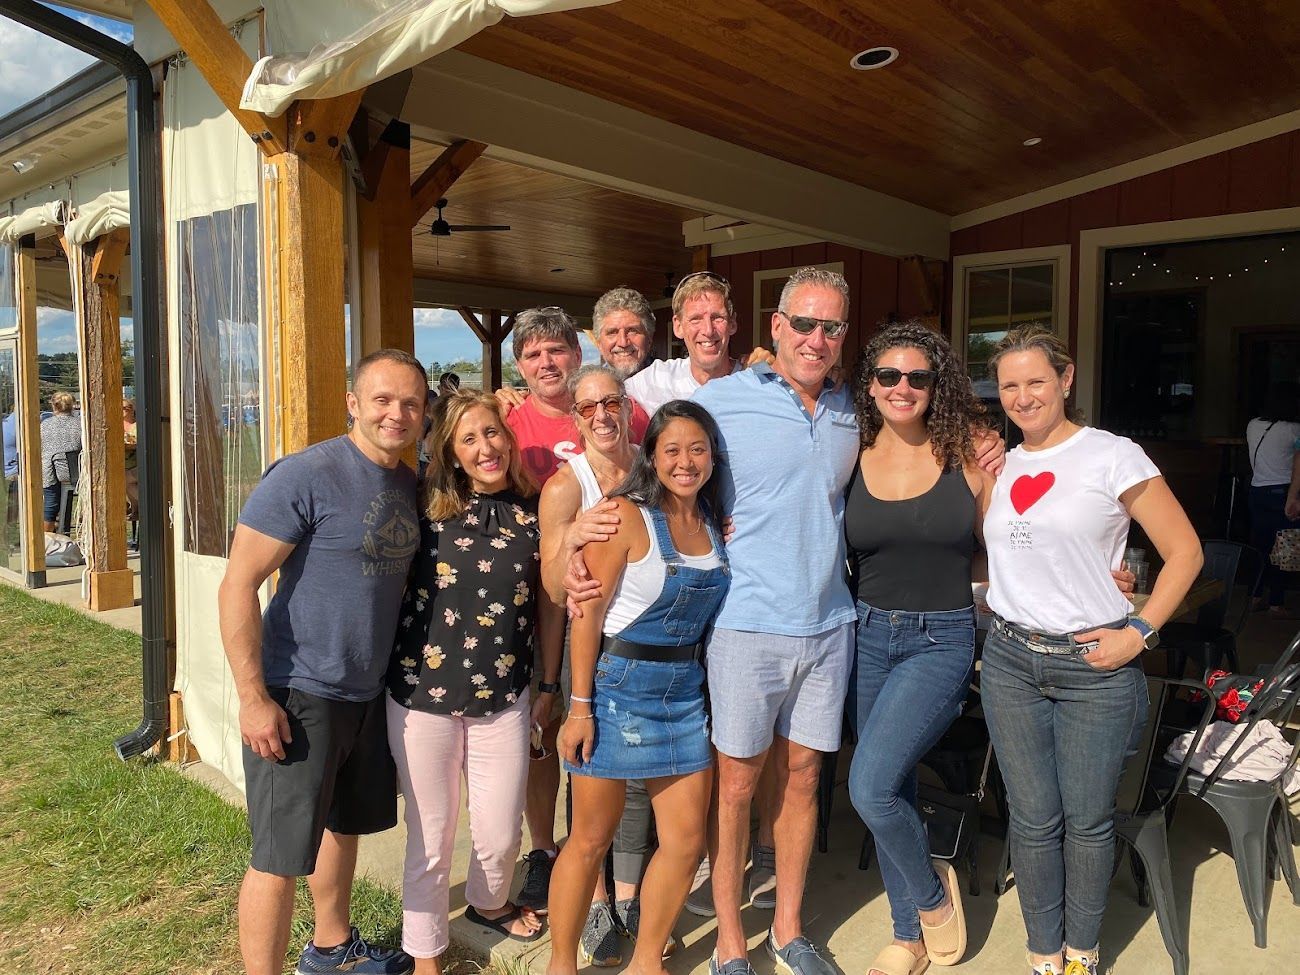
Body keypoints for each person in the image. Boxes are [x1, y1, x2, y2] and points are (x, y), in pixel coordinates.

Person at [688, 268, 1005, 975]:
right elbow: (665, 478)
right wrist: (596, 534)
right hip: (747, 623)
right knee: (736, 788)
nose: (816, 338)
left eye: (831, 327)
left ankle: (789, 931)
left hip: (835, 627)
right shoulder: (721, 399)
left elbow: (991, 518)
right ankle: (731, 943)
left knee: (809, 781)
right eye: (803, 323)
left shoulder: (849, 414)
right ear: (776, 326)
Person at [979, 324, 1202, 975]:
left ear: (1066, 378)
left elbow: (1185, 551)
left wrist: (1140, 629)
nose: (1023, 397)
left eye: (1036, 381)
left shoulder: (1112, 455)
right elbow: (1013, 552)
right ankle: (1043, 953)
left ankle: (1081, 952)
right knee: (1031, 819)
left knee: (1086, 821)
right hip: (1011, 660)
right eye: (1010, 385)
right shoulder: (1002, 464)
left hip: (1093, 668)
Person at [217, 349, 428, 975]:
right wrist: (253, 698)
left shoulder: (410, 483)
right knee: (279, 855)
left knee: (342, 826)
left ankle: (331, 947)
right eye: (382, 400)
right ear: (352, 403)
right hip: (299, 690)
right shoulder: (306, 474)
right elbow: (237, 584)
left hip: (367, 691)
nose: (396, 414)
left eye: (411, 403)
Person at [547, 399, 729, 975]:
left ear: (713, 457)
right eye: (672, 449)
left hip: (684, 694)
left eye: (698, 449)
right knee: (589, 840)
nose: (685, 462)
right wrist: (579, 709)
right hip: (616, 690)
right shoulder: (624, 516)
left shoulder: (714, 521)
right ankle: (560, 964)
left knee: (685, 841)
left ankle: (646, 961)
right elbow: (586, 614)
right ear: (651, 456)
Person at [387, 390, 562, 972]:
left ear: (509, 439)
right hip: (422, 695)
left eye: (492, 432)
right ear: (451, 453)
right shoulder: (423, 506)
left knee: (501, 830)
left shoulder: (536, 508)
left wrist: (549, 685)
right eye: (469, 439)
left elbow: (551, 602)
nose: (485, 447)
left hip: (504, 694)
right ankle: (425, 954)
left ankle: (488, 903)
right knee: (432, 835)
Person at [845, 322, 994, 975]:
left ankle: (932, 897)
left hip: (942, 637)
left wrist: (1100, 573)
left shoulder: (972, 455)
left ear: (938, 385)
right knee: (893, 785)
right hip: (866, 634)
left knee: (870, 785)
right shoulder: (850, 452)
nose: (901, 387)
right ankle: (906, 936)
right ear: (870, 384)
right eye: (888, 375)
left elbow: (1013, 543)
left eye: (917, 376)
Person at [539, 365, 658, 966]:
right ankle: (595, 901)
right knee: (588, 774)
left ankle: (629, 894)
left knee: (636, 781)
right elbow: (551, 589)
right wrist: (570, 541)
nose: (602, 416)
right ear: (576, 418)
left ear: (628, 406)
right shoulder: (567, 486)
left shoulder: (652, 467)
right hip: (594, 649)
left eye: (611, 402)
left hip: (652, 645)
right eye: (588, 408)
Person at [625, 272, 746, 415]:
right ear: (678, 326)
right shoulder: (658, 378)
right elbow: (608, 395)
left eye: (717, 317)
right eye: (696, 319)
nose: (708, 330)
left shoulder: (753, 381)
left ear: (732, 323)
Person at [1245, 381, 1300, 617]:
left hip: (1257, 491)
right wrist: (1294, 498)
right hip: (1283, 493)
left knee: (1261, 547)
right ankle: (1276, 603)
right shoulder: (1293, 430)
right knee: (1284, 548)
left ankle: (1255, 597)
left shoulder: (1253, 425)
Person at [39, 391, 81, 533]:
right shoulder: (79, 424)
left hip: (49, 472)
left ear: (54, 406)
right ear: (72, 406)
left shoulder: (45, 425)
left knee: (50, 505)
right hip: (75, 474)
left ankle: (47, 539)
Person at [593, 288, 655, 380]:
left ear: (649, 339)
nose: (623, 343)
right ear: (599, 343)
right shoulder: (588, 386)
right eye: (612, 332)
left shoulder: (670, 383)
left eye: (632, 331)